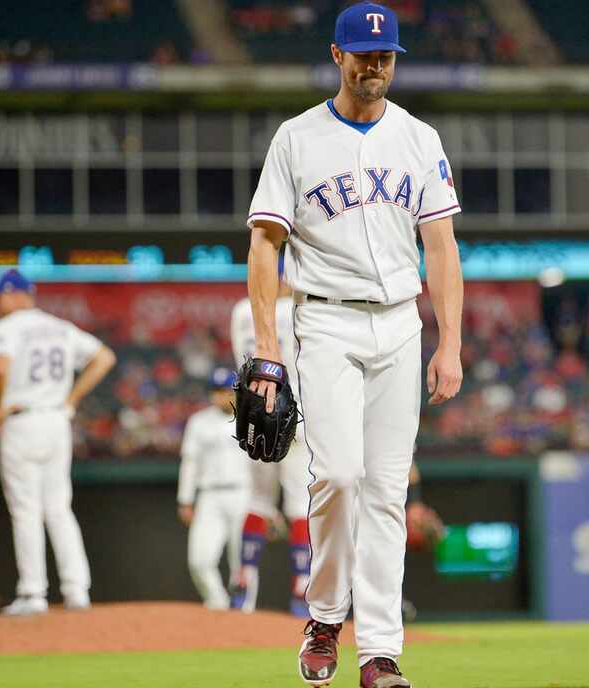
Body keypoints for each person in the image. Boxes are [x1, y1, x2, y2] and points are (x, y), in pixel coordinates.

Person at [246, 3, 463, 686]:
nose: (375, 65)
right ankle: (323, 614)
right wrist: (266, 351)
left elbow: (441, 247)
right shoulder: (297, 137)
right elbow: (264, 244)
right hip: (327, 321)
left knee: (386, 491)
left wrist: (450, 340)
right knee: (336, 474)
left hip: (401, 321)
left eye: (386, 55)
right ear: (337, 55)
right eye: (363, 54)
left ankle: (379, 654)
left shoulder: (420, 137)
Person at [0, 269, 116, 614]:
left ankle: (33, 593)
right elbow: (105, 358)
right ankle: (77, 591)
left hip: (22, 419)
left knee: (26, 509)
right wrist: (71, 399)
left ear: (15, 294)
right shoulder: (59, 326)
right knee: (59, 507)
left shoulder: (6, 328)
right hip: (57, 420)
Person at [229, 277, 311, 617]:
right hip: (295, 413)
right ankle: (302, 587)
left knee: (258, 500)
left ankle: (243, 579)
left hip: (255, 414)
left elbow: (242, 363)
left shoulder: (240, 311)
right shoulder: (296, 310)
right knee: (299, 503)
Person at [177, 367, 251, 609]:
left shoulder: (252, 418)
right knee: (199, 559)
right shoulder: (199, 422)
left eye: (226, 390)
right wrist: (185, 499)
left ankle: (244, 611)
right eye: (216, 391)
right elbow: (190, 463)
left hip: (244, 494)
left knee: (243, 562)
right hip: (209, 495)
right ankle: (217, 603)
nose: (220, 396)